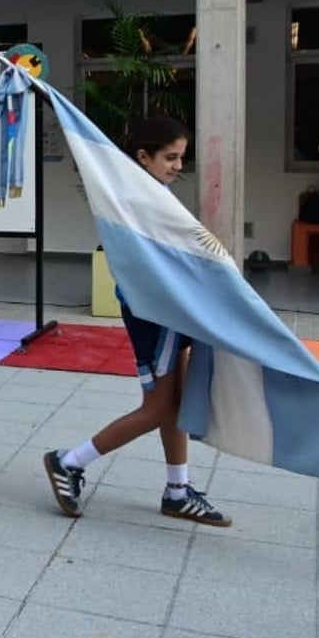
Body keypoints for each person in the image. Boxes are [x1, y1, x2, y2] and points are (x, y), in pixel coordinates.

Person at [43, 116, 231, 527]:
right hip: (155, 314)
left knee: (174, 404)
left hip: (169, 312)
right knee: (157, 408)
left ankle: (178, 491)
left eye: (182, 157)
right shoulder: (136, 198)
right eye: (170, 157)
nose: (178, 165)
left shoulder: (150, 192)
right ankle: (70, 462)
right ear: (143, 157)